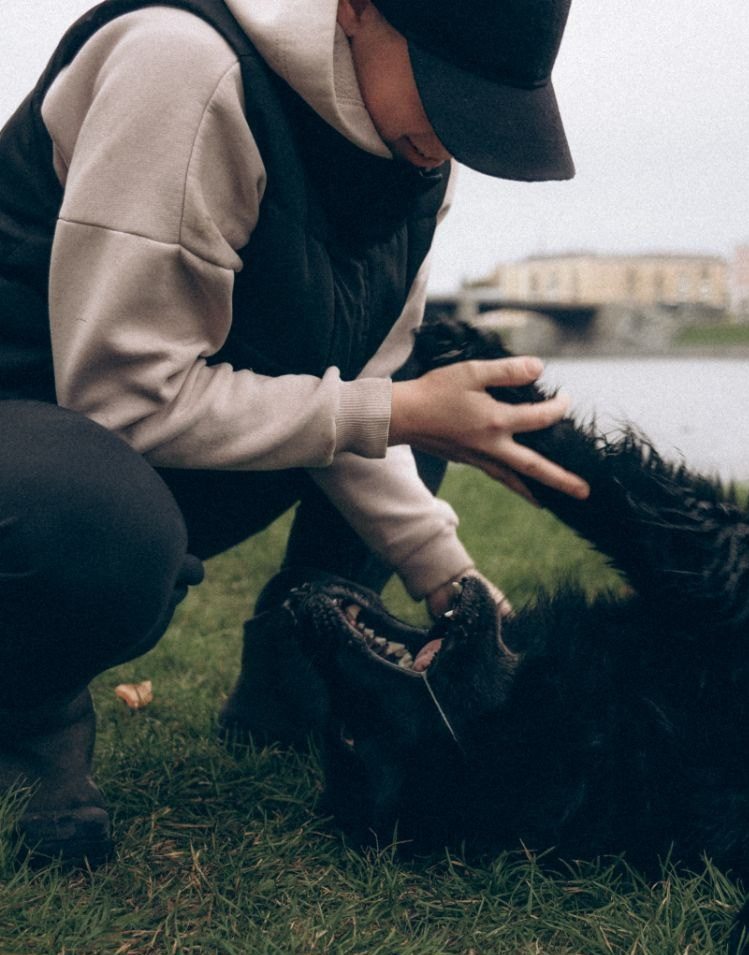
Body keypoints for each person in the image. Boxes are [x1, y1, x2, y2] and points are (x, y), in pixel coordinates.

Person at [0, 0, 585, 867]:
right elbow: (119, 399)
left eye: (485, 111)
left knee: (400, 410)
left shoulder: (417, 154)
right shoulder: (183, 66)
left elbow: (360, 388)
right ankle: (28, 722)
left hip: (122, 440)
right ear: (354, 10)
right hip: (43, 457)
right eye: (444, 89)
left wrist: (466, 602)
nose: (453, 136)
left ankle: (298, 680)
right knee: (108, 524)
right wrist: (395, 411)